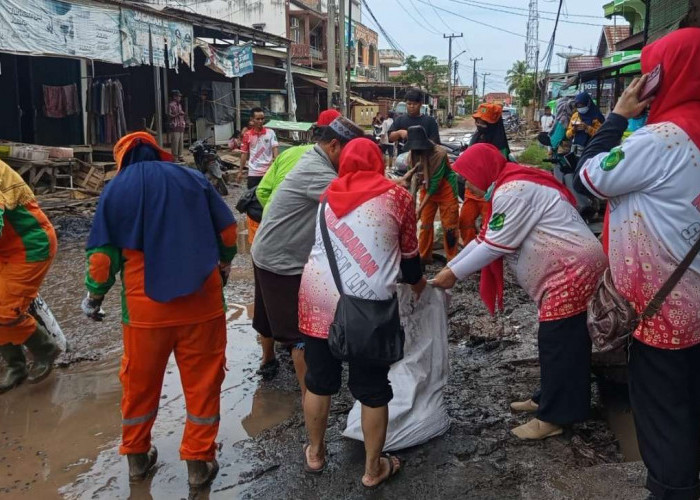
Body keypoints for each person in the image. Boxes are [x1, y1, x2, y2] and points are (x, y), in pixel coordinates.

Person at [574, 28, 700, 500]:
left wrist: (618, 115)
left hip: (666, 307)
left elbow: (591, 175)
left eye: (653, 71)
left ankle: (672, 489)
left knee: (664, 407)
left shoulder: (663, 138)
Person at [81, 132, 237, 489]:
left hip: (144, 313)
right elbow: (228, 230)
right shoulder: (193, 178)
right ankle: (199, 462)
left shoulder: (116, 189)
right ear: (157, 151)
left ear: (123, 158)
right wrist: (225, 265)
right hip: (202, 305)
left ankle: (137, 458)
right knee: (203, 383)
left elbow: (102, 258)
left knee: (139, 383)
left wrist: (94, 297)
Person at [432, 143, 607, 440]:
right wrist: (450, 267)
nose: (468, 185)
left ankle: (554, 417)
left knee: (558, 341)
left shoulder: (513, 191)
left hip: (569, 270)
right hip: (567, 268)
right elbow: (485, 238)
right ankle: (549, 398)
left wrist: (453, 274)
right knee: (566, 340)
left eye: (469, 177)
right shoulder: (509, 185)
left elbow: (495, 245)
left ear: (483, 170)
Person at [298, 138, 426, 486]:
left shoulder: (327, 197)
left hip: (318, 300)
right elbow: (410, 258)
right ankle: (373, 470)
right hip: (369, 308)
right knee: (371, 388)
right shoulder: (397, 197)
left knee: (319, 382)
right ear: (378, 163)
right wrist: (420, 286)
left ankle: (315, 452)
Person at [250, 117, 364, 386]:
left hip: (267, 249)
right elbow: (352, 204)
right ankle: (309, 397)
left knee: (268, 313)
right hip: (282, 259)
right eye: (350, 154)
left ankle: (268, 360)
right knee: (299, 335)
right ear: (335, 145)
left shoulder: (314, 159)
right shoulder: (318, 171)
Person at [0, 160, 59, 393]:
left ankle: (45, 348)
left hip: (30, 246)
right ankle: (16, 366)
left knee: (5, 310)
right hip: (5, 248)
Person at [256, 109, 341, 217]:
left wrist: (275, 211)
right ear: (334, 144)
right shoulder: (326, 163)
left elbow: (261, 191)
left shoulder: (287, 153)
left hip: (270, 221)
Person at [405, 125, 460, 263]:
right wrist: (411, 208)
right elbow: (412, 181)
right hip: (426, 187)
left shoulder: (439, 154)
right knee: (425, 224)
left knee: (449, 227)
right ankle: (424, 256)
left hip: (445, 188)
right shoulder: (411, 156)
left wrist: (419, 209)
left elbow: (434, 185)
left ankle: (452, 261)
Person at [460, 102, 511, 247]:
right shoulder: (476, 138)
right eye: (477, 120)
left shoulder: (500, 147)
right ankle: (469, 250)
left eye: (482, 121)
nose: (478, 123)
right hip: (471, 191)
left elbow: (500, 172)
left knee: (489, 227)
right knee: (465, 221)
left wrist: (490, 192)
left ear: (492, 123)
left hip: (489, 194)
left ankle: (485, 255)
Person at [239, 107, 279, 242]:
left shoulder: (270, 133)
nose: (261, 121)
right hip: (253, 173)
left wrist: (276, 165)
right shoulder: (247, 135)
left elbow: (275, 149)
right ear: (252, 120)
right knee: (252, 202)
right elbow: (244, 153)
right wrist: (240, 171)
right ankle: (254, 232)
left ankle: (268, 228)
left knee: (269, 200)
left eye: (262, 118)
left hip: (268, 173)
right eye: (258, 119)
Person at [389, 89, 441, 155]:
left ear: (420, 104)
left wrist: (420, 140)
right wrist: (399, 133)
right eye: (409, 104)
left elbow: (436, 143)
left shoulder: (430, 121)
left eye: (415, 104)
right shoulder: (400, 119)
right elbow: (390, 137)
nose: (412, 106)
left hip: (425, 160)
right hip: (404, 161)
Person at [168, 90, 187, 161]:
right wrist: (177, 115)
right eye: (178, 96)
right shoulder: (171, 105)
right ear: (174, 97)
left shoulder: (180, 105)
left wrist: (182, 114)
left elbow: (181, 112)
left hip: (181, 125)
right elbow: (169, 115)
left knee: (180, 142)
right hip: (174, 125)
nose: (180, 98)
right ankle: (175, 157)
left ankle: (180, 156)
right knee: (175, 142)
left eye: (180, 96)